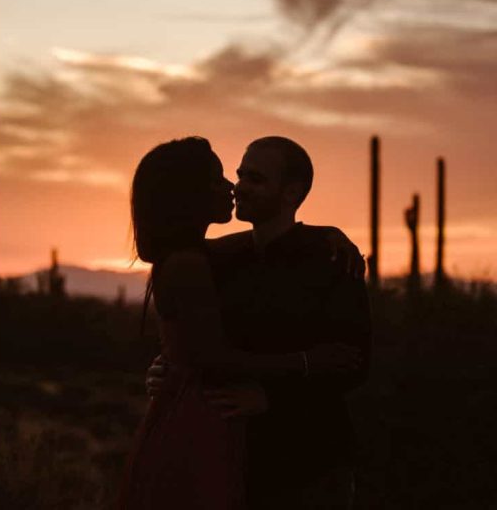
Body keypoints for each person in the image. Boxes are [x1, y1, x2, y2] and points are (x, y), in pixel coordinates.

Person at [120, 137, 362, 510]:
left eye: (256, 179)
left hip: (308, 461)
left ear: (291, 193)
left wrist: (273, 399)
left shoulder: (330, 261)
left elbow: (353, 362)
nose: (239, 187)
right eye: (238, 175)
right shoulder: (215, 262)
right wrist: (176, 364)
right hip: (234, 451)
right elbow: (201, 343)